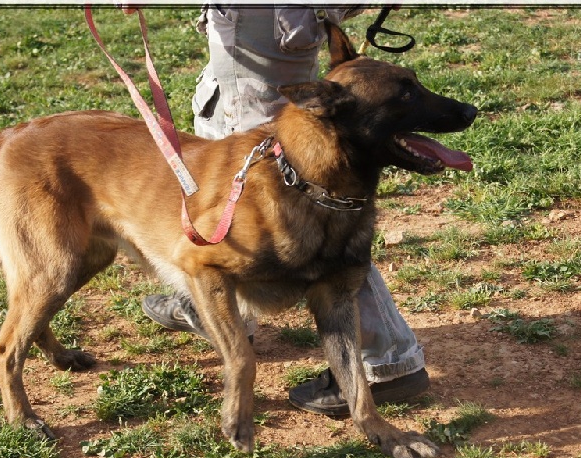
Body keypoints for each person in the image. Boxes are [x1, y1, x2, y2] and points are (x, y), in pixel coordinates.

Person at [140, 5, 429, 416]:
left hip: (258, 48)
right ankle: (217, 306)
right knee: (255, 199)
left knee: (317, 210)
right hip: (260, 42)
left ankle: (387, 358)